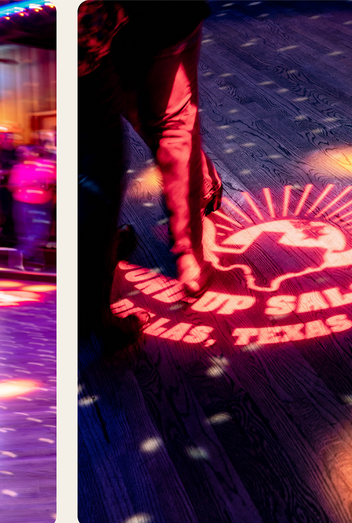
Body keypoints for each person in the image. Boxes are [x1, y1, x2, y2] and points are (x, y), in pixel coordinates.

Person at [78, 1, 222, 343]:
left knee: (132, 122)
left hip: (98, 36)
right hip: (140, 19)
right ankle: (189, 259)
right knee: (173, 122)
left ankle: (101, 254)